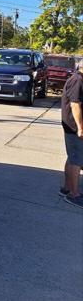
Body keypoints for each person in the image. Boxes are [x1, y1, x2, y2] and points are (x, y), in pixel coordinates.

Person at [61, 57, 83, 208]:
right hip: (74, 127)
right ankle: (74, 194)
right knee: (77, 159)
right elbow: (75, 105)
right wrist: (81, 127)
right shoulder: (77, 80)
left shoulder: (78, 79)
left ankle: (67, 188)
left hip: (71, 126)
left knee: (72, 157)